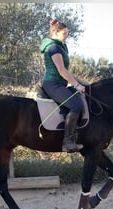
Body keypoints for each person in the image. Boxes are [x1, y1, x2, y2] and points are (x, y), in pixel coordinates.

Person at [39, 19, 85, 153]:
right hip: (52, 84)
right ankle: (68, 142)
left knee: (79, 99)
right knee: (76, 105)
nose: (67, 35)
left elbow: (66, 71)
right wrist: (76, 85)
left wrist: (83, 83)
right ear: (56, 32)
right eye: (64, 33)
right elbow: (61, 70)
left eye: (67, 33)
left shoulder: (61, 46)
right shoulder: (53, 47)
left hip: (60, 84)